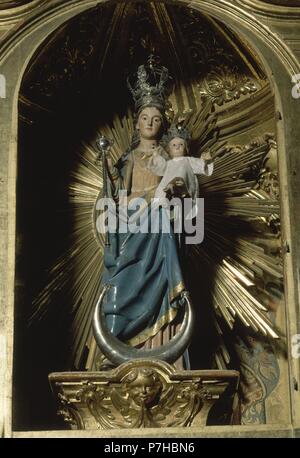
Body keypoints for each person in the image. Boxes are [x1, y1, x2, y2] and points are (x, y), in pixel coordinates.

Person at [97, 58, 194, 368]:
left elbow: (185, 195)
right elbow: (114, 198)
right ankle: (116, 340)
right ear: (136, 122)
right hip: (130, 228)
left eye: (156, 118)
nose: (150, 123)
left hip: (159, 227)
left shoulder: (169, 157)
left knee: (163, 224)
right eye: (145, 117)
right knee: (121, 278)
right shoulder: (127, 160)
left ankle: (162, 345)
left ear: (162, 124)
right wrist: (118, 196)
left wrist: (176, 194)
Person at [147, 125, 213, 207]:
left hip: (184, 188)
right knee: (163, 198)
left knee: (178, 182)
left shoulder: (188, 160)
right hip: (166, 189)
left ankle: (176, 192)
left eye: (181, 144)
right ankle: (166, 198)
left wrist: (205, 160)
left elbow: (201, 165)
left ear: (186, 148)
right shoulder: (168, 163)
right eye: (174, 145)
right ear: (169, 150)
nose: (177, 147)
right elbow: (159, 168)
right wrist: (155, 156)